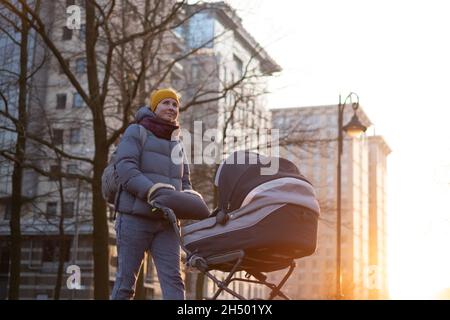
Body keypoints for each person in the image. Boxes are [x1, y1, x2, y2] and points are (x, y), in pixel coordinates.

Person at [111, 88, 199, 300]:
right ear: (154, 107)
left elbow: (184, 182)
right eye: (165, 103)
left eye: (175, 105)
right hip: (134, 219)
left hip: (166, 223)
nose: (171, 108)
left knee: (175, 284)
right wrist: (152, 190)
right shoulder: (136, 131)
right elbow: (125, 168)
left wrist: (192, 199)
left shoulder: (178, 143)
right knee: (125, 285)